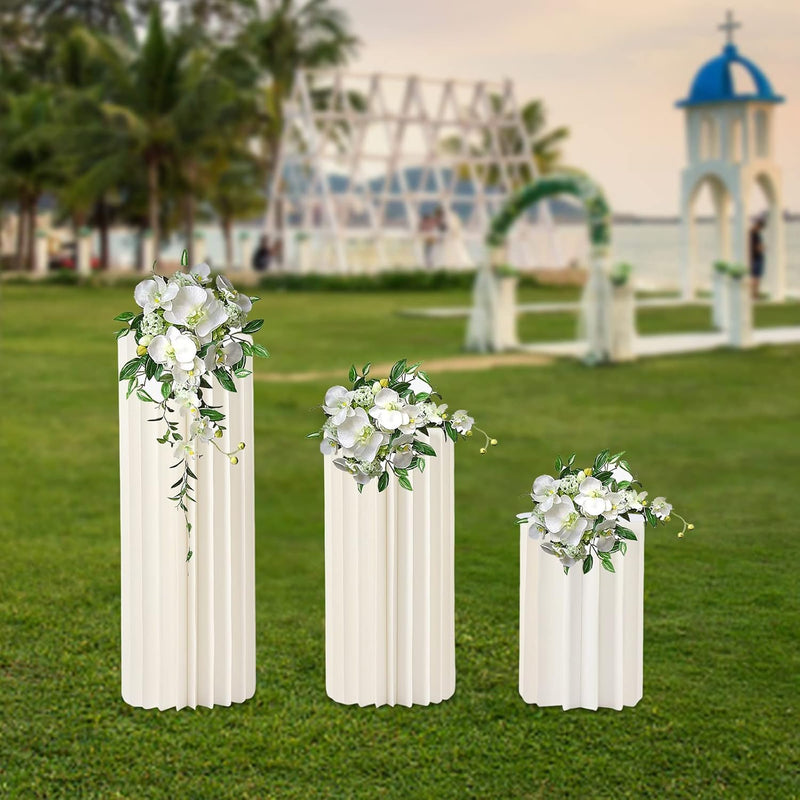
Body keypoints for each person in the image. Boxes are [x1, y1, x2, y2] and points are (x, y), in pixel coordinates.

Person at [748, 217, 766, 299]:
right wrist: (762, 247)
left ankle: (753, 294)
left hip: (752, 258)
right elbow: (757, 247)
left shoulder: (749, 233)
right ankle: (755, 295)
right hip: (757, 258)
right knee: (756, 278)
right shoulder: (755, 235)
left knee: (753, 277)